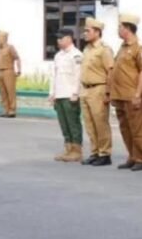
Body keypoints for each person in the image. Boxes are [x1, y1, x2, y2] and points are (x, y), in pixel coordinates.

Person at [110, 13, 142, 171]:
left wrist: (138, 94)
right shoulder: (122, 47)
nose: (118, 30)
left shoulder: (140, 47)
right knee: (125, 128)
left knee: (138, 128)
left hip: (133, 95)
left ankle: (141, 158)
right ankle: (132, 156)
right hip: (120, 95)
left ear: (127, 28)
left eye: (120, 27)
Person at [79, 17, 114, 166]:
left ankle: (105, 154)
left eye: (88, 31)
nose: (85, 33)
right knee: (89, 123)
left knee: (100, 123)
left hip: (99, 89)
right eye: (85, 30)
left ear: (97, 32)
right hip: (86, 89)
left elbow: (111, 72)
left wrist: (108, 93)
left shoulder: (104, 50)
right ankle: (95, 152)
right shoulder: (86, 49)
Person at [48, 28, 83, 162]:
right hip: (59, 95)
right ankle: (68, 149)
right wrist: (52, 93)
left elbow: (78, 75)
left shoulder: (76, 55)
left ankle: (76, 150)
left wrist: (76, 93)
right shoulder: (58, 55)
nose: (58, 41)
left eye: (61, 38)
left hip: (70, 95)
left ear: (69, 38)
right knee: (64, 124)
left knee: (73, 123)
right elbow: (54, 76)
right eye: (57, 38)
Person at [0, 30, 21, 118]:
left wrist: (18, 70)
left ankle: (12, 110)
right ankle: (5, 109)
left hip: (8, 71)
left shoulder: (10, 48)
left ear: (4, 38)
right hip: (0, 71)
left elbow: (17, 58)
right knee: (3, 92)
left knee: (10, 91)